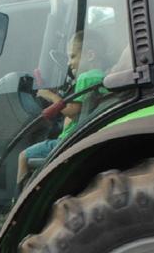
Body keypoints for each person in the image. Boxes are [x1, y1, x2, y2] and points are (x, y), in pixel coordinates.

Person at [17, 31, 107, 184]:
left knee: (23, 157)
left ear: (90, 55)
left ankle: (20, 197)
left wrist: (50, 96)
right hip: (76, 136)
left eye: (72, 56)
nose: (68, 63)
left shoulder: (86, 77)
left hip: (66, 141)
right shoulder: (100, 77)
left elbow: (72, 111)